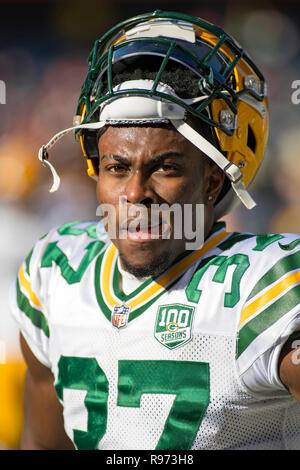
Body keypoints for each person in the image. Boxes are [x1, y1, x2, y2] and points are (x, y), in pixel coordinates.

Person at [10, 10, 300, 450]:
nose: (135, 193)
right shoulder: (55, 272)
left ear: (213, 181)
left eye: (165, 168)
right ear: (95, 172)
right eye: (116, 167)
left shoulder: (264, 287)